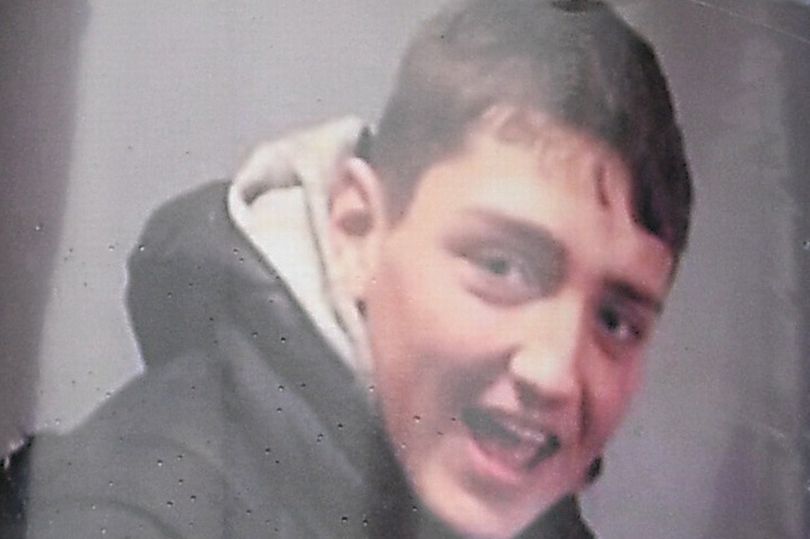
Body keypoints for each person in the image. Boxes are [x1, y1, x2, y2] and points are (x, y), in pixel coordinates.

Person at [0, 0, 692, 537]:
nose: (556, 373)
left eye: (615, 320)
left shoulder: (505, 491)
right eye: (502, 265)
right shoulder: (133, 510)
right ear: (356, 229)